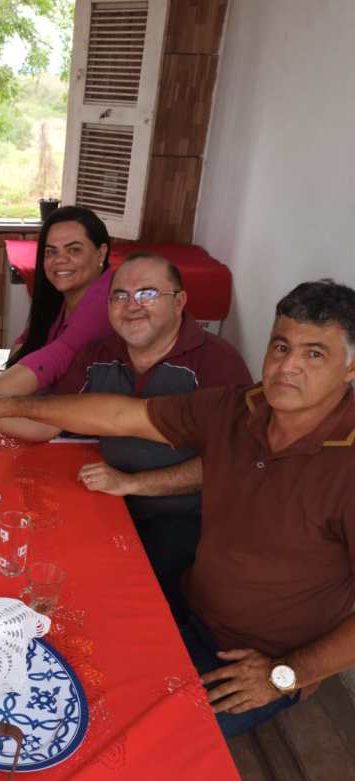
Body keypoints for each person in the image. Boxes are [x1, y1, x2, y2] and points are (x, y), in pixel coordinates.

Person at [0, 279, 355, 738]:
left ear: (350, 368)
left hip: (260, 658)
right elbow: (122, 415)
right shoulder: (241, 408)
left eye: (314, 354)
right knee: (49, 660)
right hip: (187, 606)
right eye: (281, 347)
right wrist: (0, 407)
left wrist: (287, 674)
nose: (288, 366)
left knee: (130, 737)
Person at [58, 252, 251, 595]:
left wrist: (132, 484)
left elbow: (227, 462)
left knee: (132, 595)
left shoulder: (217, 363)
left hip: (184, 518)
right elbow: (52, 415)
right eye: (120, 295)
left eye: (147, 294)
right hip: (106, 500)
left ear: (179, 302)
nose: (132, 306)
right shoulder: (99, 353)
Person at [0, 206, 113, 396]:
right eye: (51, 252)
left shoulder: (108, 300)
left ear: (101, 253)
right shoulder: (63, 295)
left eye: (74, 250)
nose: (59, 260)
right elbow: (24, 345)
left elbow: (55, 357)